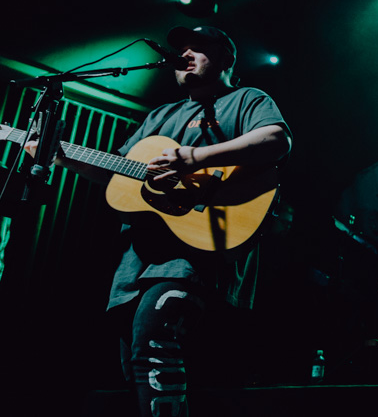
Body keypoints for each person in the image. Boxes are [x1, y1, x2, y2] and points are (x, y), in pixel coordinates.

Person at [29, 26, 291, 417]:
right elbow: (118, 171)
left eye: (198, 48)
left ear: (226, 58)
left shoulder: (247, 99)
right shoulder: (161, 115)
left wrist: (195, 158)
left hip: (194, 257)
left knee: (152, 346)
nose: (185, 54)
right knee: (133, 364)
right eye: (181, 49)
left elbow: (276, 141)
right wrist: (60, 155)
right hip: (138, 261)